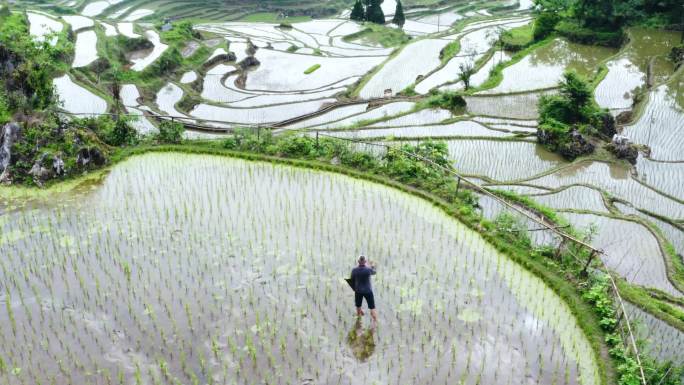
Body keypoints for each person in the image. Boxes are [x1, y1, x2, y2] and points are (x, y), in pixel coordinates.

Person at [350, 255, 377, 323]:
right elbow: (374, 272)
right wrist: (372, 266)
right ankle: (375, 323)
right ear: (365, 261)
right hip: (368, 291)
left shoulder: (354, 270)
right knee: (372, 307)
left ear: (358, 261)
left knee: (358, 306)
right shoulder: (368, 270)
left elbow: (352, 280)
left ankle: (359, 322)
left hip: (358, 291)